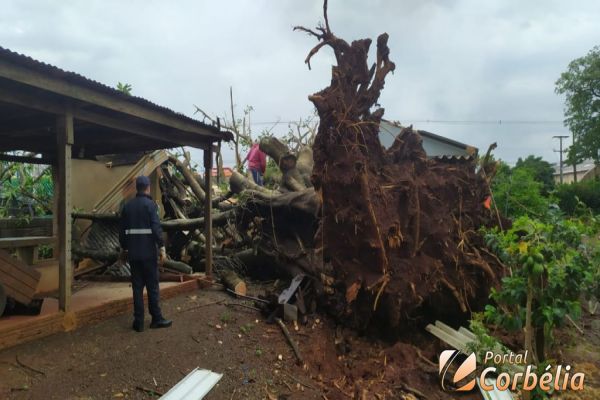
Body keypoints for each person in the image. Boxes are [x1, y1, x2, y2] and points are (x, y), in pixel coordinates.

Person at [119, 176, 172, 332]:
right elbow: (156, 229)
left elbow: (122, 233)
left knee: (137, 288)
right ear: (148, 187)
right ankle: (156, 319)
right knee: (152, 287)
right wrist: (162, 248)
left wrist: (124, 249)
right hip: (149, 254)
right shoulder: (151, 206)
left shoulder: (127, 207)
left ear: (137, 188)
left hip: (134, 255)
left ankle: (138, 322)